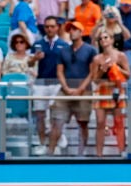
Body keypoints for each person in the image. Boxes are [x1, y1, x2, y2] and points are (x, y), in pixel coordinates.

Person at [51, 20, 96, 156]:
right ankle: (50, 152)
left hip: (84, 91)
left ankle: (81, 153)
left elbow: (92, 72)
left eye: (75, 29)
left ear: (81, 32)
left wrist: (81, 89)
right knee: (57, 121)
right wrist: (65, 87)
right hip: (66, 90)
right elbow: (59, 71)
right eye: (70, 29)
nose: (71, 32)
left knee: (83, 123)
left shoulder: (90, 50)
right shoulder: (63, 51)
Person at [29, 16, 69, 155]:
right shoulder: (37, 44)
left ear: (57, 27)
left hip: (57, 84)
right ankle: (42, 143)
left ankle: (56, 140)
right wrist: (35, 58)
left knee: (55, 115)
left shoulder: (64, 45)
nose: (49, 29)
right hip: (40, 84)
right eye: (47, 27)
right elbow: (29, 63)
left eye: (52, 26)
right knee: (40, 115)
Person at [90, 29, 129, 157]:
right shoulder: (97, 59)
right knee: (100, 122)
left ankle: (122, 151)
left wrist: (117, 68)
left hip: (116, 88)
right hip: (102, 89)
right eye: (101, 39)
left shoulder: (121, 56)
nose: (103, 40)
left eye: (106, 37)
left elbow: (128, 74)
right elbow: (95, 79)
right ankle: (99, 154)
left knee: (118, 121)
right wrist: (102, 69)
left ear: (112, 40)